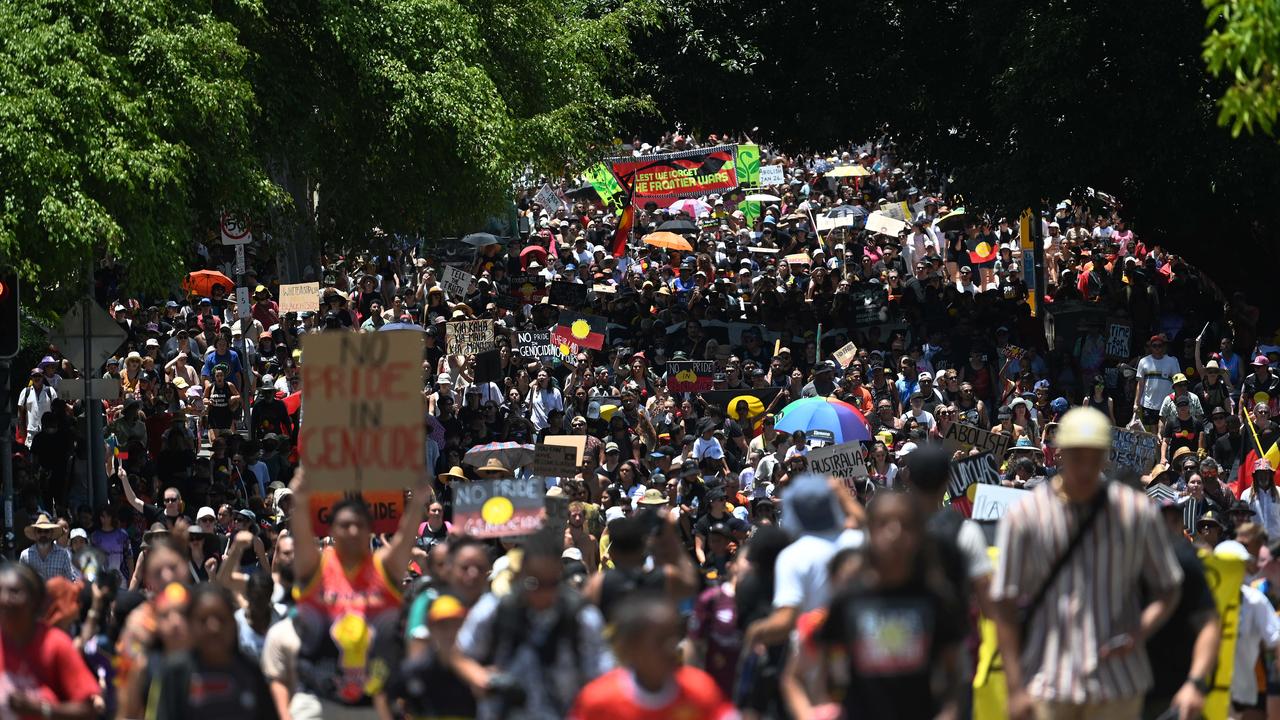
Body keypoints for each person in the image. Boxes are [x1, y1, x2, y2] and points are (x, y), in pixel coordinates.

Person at [993, 406, 1183, 720]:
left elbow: (1169, 586)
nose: (1085, 468)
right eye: (1076, 457)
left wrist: (1139, 631)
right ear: (1059, 455)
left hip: (1118, 685)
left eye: (1094, 457)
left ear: (1105, 457)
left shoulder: (1135, 512)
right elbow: (1003, 604)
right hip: (1047, 681)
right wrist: (1014, 686)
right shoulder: (1025, 516)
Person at [287, 467, 428, 719]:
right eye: (344, 525)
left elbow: (405, 537)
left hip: (370, 703)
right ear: (331, 530)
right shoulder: (314, 567)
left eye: (359, 525)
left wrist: (417, 501)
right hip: (319, 701)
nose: (352, 531)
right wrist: (299, 499)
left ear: (369, 531)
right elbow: (300, 536)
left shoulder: (385, 568)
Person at [568, 595, 736, 720]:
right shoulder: (598, 701)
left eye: (674, 638)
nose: (673, 648)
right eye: (660, 641)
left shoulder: (701, 690)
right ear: (631, 648)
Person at [1144, 497, 1220, 720]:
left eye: (1174, 520)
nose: (1168, 526)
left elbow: (1209, 624)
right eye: (1162, 519)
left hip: (1179, 691)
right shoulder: (1131, 559)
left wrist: (1196, 682)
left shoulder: (1189, 561)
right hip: (1133, 688)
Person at [0, 562, 99, 719]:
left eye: (14, 592)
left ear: (34, 600)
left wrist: (40, 710)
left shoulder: (56, 645)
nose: (4, 599)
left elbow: (89, 709)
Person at [19, 512, 77, 581]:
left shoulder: (63, 554)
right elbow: (22, 581)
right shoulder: (25, 555)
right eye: (39, 531)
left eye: (46, 531)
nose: (43, 534)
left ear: (51, 533)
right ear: (35, 534)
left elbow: (69, 580)